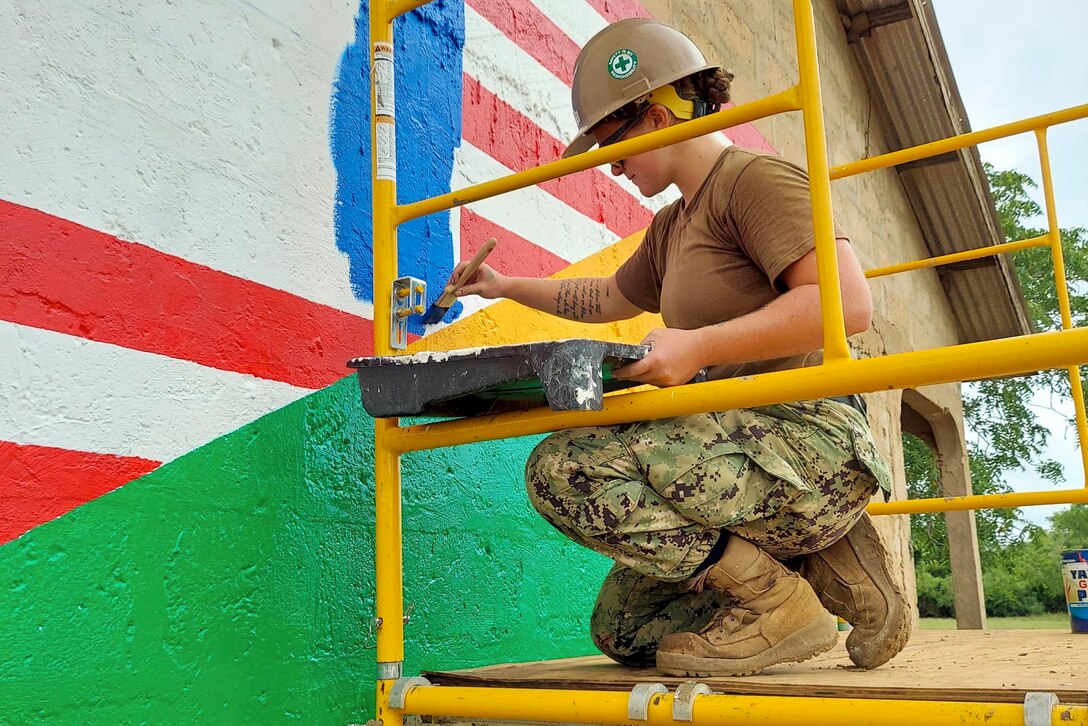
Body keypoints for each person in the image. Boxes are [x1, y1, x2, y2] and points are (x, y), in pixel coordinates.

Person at [446, 18, 910, 677]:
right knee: (626, 633)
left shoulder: (754, 182)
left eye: (612, 141)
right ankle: (827, 559)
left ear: (657, 118)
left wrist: (697, 347)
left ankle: (779, 600)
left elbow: (847, 305)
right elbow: (609, 298)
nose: (609, 161)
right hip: (732, 445)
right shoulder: (672, 225)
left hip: (804, 440)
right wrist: (503, 286)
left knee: (564, 469)